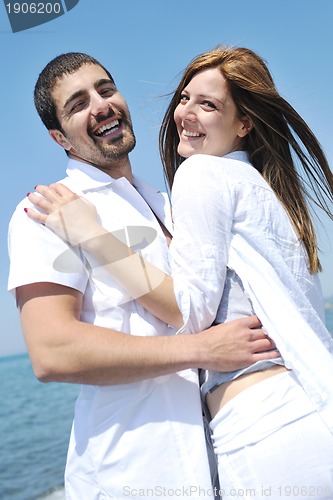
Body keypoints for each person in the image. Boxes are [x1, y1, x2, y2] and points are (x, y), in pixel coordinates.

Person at [26, 46, 333, 499]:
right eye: (78, 103)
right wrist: (200, 349)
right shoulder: (45, 212)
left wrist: (92, 235)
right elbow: (51, 353)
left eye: (105, 88)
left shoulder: (190, 185)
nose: (100, 105)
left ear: (244, 123)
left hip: (257, 428)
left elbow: (189, 308)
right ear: (60, 138)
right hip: (281, 418)